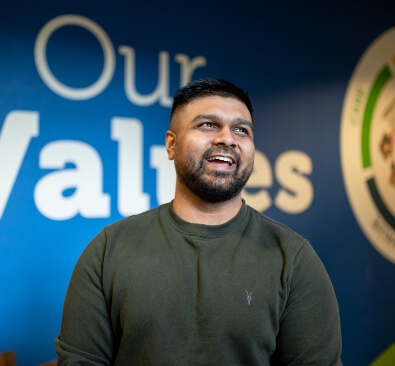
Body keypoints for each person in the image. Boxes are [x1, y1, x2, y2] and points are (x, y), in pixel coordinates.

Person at [55, 78, 343, 365]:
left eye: (241, 130)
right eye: (208, 125)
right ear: (171, 144)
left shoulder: (293, 259)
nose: (227, 139)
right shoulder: (109, 249)